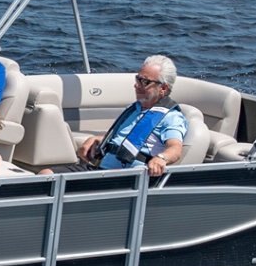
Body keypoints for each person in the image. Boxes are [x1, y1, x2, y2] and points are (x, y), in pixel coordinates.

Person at [43, 55, 187, 177]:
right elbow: (122, 139)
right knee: (47, 174)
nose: (137, 85)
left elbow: (175, 148)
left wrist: (161, 158)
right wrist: (99, 139)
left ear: (163, 88)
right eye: (138, 79)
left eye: (145, 82)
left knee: (52, 182)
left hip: (123, 177)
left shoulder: (171, 118)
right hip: (102, 170)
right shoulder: (135, 109)